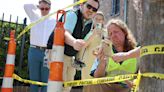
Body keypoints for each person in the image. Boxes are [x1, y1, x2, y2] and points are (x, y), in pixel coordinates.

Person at [24, 0, 85, 92]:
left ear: (50, 8)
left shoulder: (54, 20)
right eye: (42, 8)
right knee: (33, 79)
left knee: (46, 80)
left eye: (46, 8)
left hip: (47, 52)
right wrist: (39, 5)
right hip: (34, 51)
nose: (44, 10)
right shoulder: (34, 17)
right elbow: (26, 6)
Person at [47, 0, 100, 92]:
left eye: (94, 9)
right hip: (57, 53)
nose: (91, 10)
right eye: (89, 6)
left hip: (70, 56)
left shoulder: (90, 24)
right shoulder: (72, 15)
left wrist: (93, 35)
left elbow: (83, 43)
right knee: (58, 87)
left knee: (67, 86)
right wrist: (74, 42)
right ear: (81, 4)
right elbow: (65, 33)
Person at [89, 19, 139, 92]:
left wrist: (133, 83)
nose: (113, 35)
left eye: (116, 32)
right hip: (108, 87)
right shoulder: (104, 50)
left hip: (129, 87)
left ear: (124, 32)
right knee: (91, 86)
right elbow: (97, 77)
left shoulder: (136, 51)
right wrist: (102, 62)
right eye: (110, 34)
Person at [75, 11, 106, 92]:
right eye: (96, 19)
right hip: (89, 63)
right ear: (93, 20)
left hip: (101, 64)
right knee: (88, 88)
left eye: (101, 19)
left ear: (103, 21)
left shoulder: (106, 33)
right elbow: (83, 45)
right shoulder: (88, 32)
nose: (99, 21)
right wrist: (93, 35)